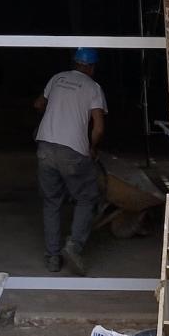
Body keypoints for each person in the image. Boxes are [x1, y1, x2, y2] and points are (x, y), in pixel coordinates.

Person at [33, 48, 107, 275]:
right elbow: (98, 127)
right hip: (73, 151)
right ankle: (74, 245)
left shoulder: (57, 78)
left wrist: (56, 112)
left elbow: (38, 104)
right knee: (87, 198)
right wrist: (92, 148)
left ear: (75, 63)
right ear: (92, 67)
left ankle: (53, 257)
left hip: (45, 147)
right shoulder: (93, 87)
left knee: (51, 202)